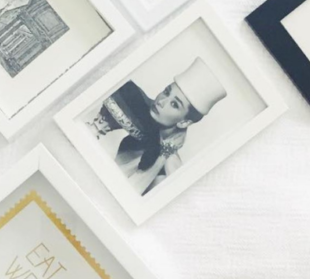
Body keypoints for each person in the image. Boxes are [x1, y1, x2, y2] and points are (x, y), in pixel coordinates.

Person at [89, 58, 227, 195]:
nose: (161, 101)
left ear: (184, 122)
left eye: (174, 104)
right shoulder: (137, 133)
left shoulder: (165, 174)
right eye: (166, 92)